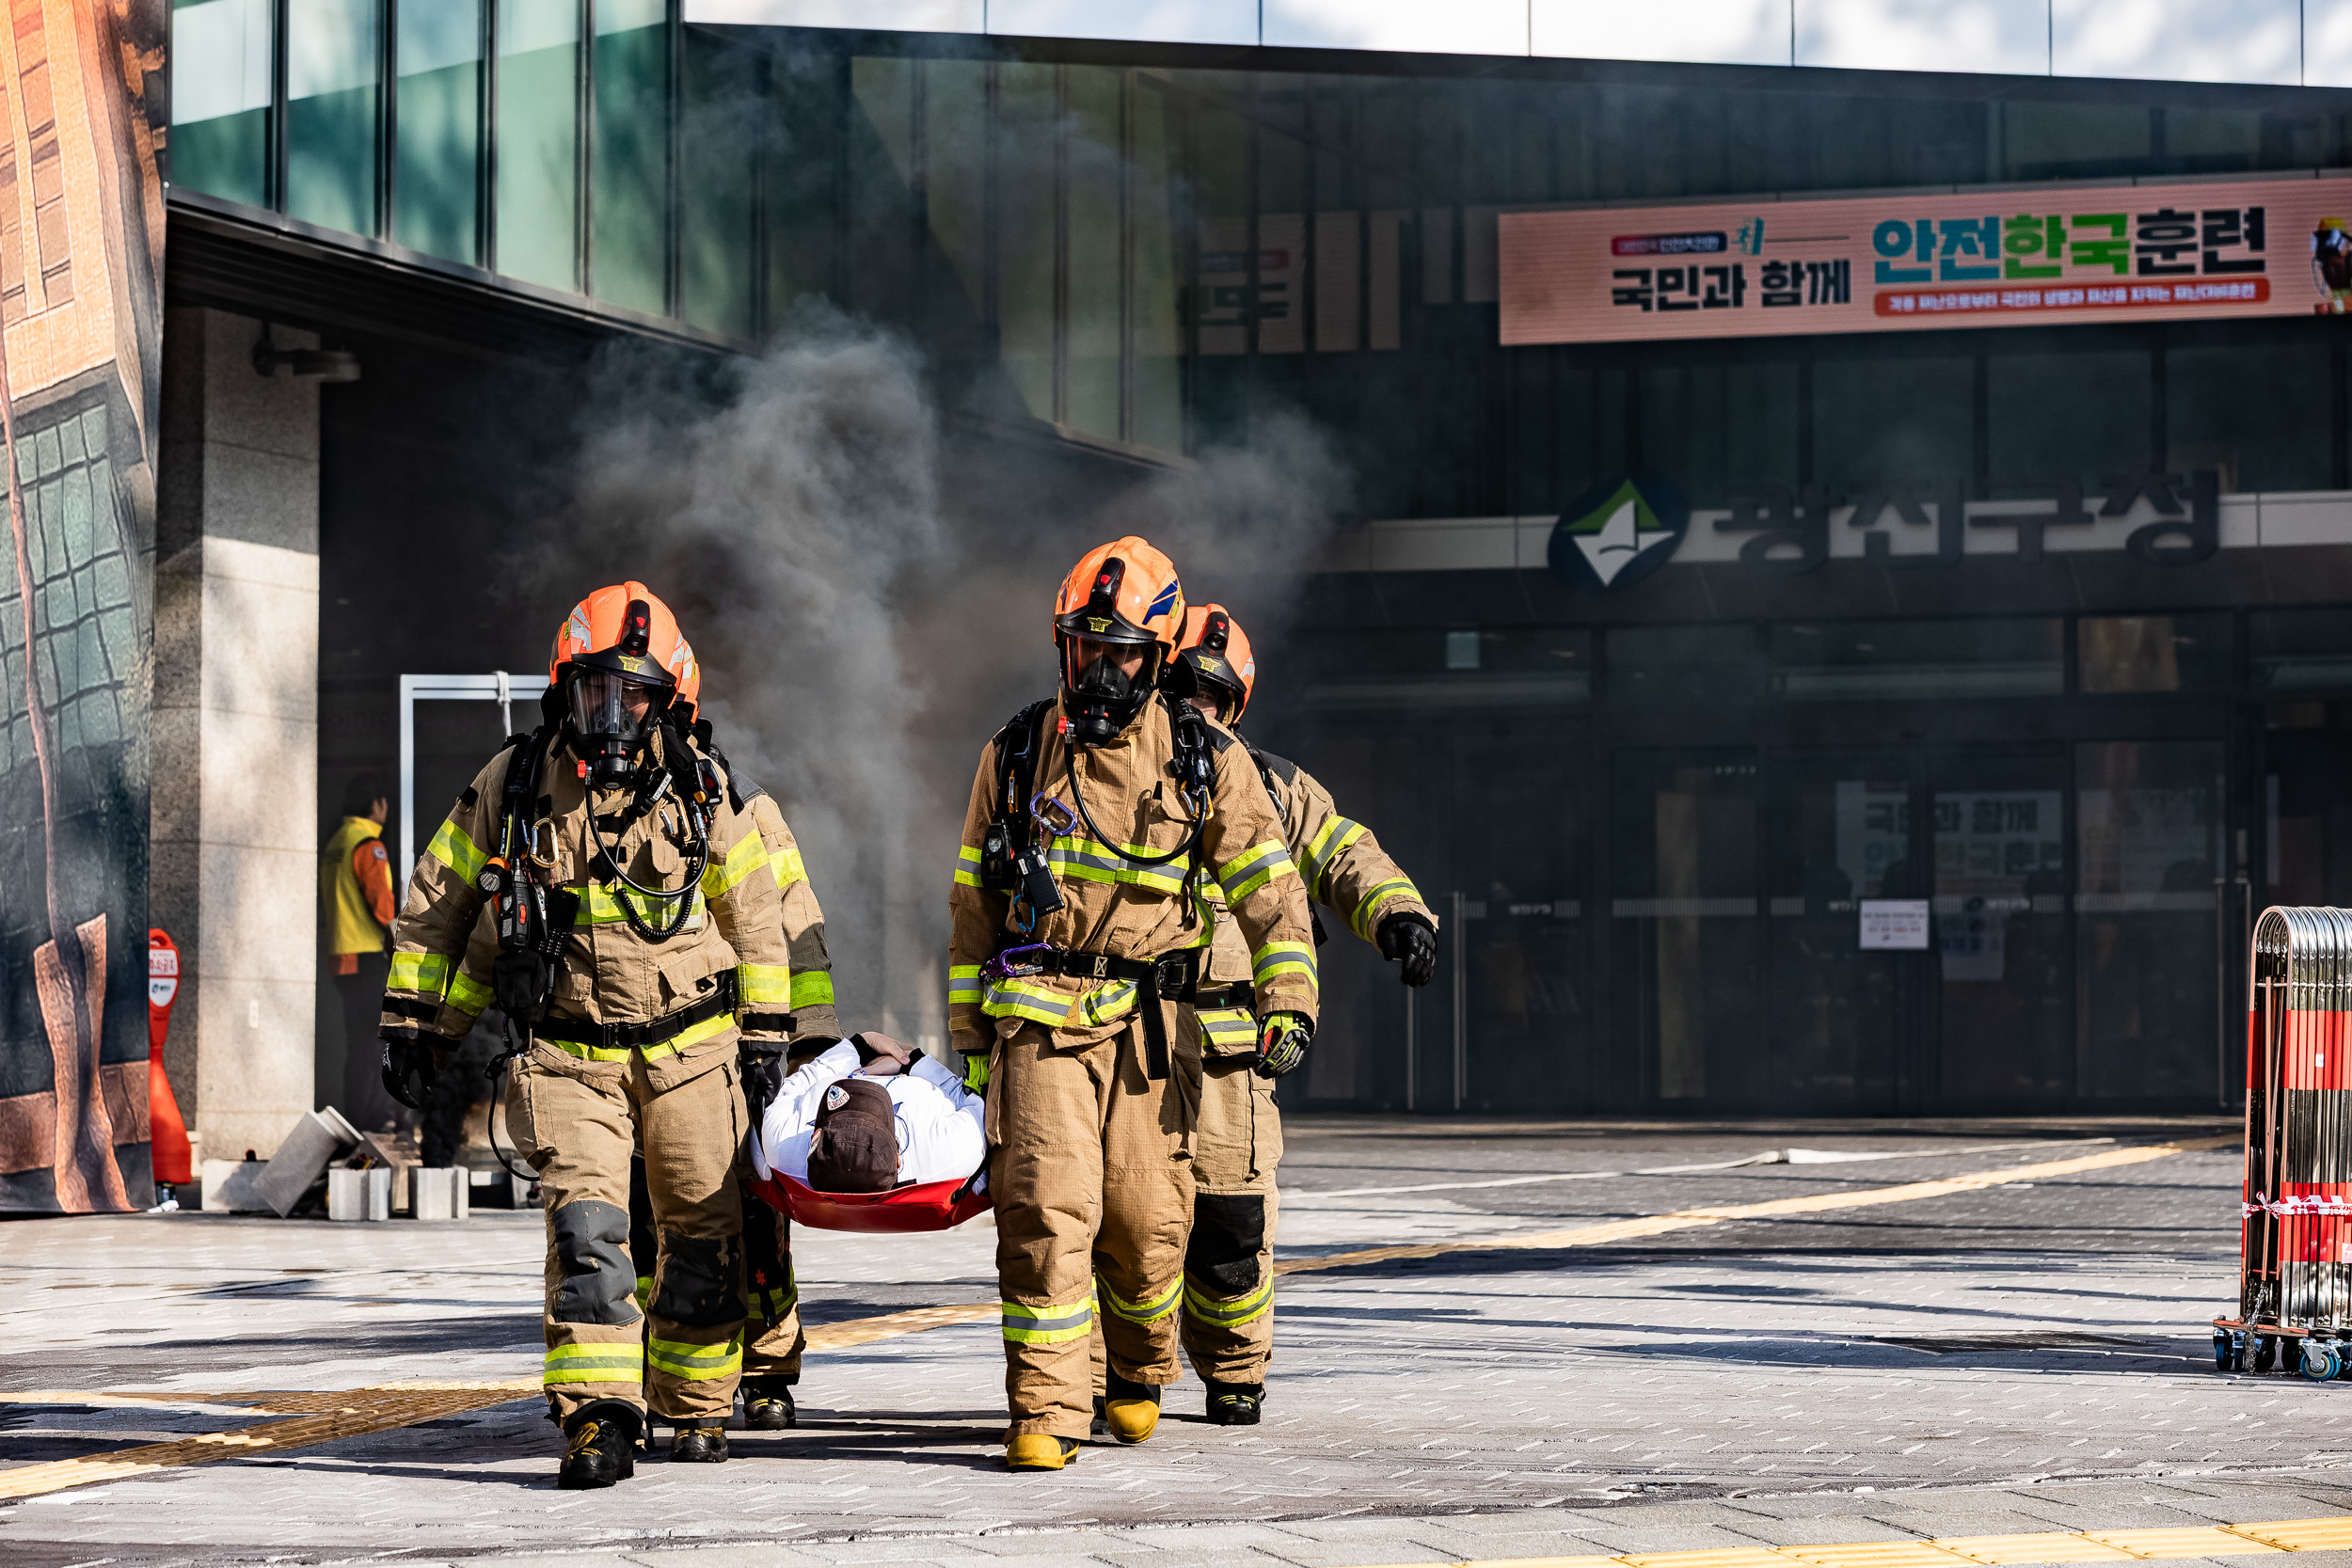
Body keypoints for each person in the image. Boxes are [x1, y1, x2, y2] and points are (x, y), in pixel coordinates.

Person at [378, 581, 796, 1490]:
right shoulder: (515, 782)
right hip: (570, 1055)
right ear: (564, 689)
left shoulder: (704, 789)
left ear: (667, 701)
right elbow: (441, 906)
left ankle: (696, 1406)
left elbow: (759, 919)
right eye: (596, 690)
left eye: (633, 695)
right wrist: (416, 1026)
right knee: (589, 1233)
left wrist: (768, 1041)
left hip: (694, 1051)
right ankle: (599, 1417)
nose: (612, 713)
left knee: (703, 1232)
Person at [948, 536, 1319, 1472]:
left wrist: (1289, 998)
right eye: (1086, 649)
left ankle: (1137, 1365)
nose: (1099, 671)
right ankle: (1046, 1407)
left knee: (1147, 1223)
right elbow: (970, 909)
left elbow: (1272, 892)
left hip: (1151, 1030)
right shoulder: (1016, 752)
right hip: (1039, 1014)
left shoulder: (1204, 758)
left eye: (1119, 653)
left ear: (1156, 657)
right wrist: (971, 1041)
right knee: (1045, 1211)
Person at [1160, 603, 1437, 1426]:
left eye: (1213, 697)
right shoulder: (1118, 777)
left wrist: (1399, 913)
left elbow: (1343, 850)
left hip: (1231, 1045)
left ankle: (1234, 1371)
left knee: (1232, 1220)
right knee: (1126, 1219)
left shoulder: (1273, 784)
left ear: (1236, 705)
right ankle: (1119, 1379)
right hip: (1132, 1037)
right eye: (1183, 690)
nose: (1197, 709)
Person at [750, 1031, 985, 1190]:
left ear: (814, 1138)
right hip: (899, 1070)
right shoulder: (945, 1152)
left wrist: (863, 1046)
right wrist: (909, 1059)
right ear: (899, 1161)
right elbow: (973, 1099)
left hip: (852, 1069)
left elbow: (796, 1084)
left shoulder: (784, 1149)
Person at [321, 775, 399, 1131]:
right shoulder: (369, 845)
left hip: (342, 959)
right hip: (368, 957)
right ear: (376, 804)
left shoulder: (336, 842)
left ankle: (354, 1120)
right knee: (382, 1041)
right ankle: (376, 1120)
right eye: (384, 802)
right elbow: (381, 904)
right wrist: (399, 934)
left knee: (357, 1045)